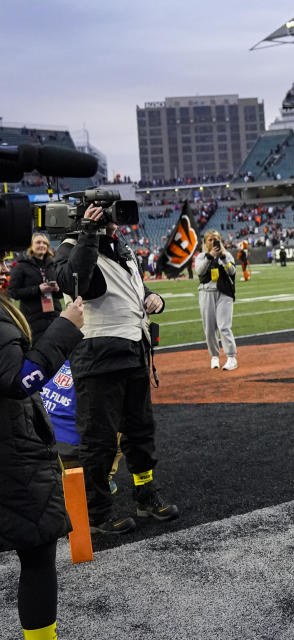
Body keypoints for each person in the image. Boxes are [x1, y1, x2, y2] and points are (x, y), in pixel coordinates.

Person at [54, 205, 179, 535]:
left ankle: (145, 495)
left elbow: (137, 290)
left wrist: (156, 300)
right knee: (99, 440)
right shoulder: (70, 247)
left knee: (140, 432)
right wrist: (87, 234)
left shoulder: (122, 249)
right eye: (107, 221)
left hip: (134, 350)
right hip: (98, 358)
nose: (113, 226)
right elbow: (76, 281)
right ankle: (97, 514)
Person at [2, 251, 84, 640]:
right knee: (37, 557)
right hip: (10, 452)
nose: (4, 266)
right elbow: (22, 380)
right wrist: (66, 327)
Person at [194, 230, 238, 371]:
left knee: (224, 326)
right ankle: (214, 356)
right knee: (209, 328)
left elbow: (232, 271)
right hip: (206, 293)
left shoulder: (227, 255)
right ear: (205, 242)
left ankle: (231, 357)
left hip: (224, 293)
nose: (213, 242)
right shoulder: (201, 256)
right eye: (210, 240)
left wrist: (223, 258)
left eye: (216, 239)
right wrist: (210, 256)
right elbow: (199, 271)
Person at [7, 233, 64, 339]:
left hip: (54, 317)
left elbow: (60, 295)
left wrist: (57, 289)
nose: (42, 245)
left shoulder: (53, 265)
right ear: (31, 246)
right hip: (32, 319)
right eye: (38, 242)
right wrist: (38, 289)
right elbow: (13, 293)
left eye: (44, 243)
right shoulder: (21, 266)